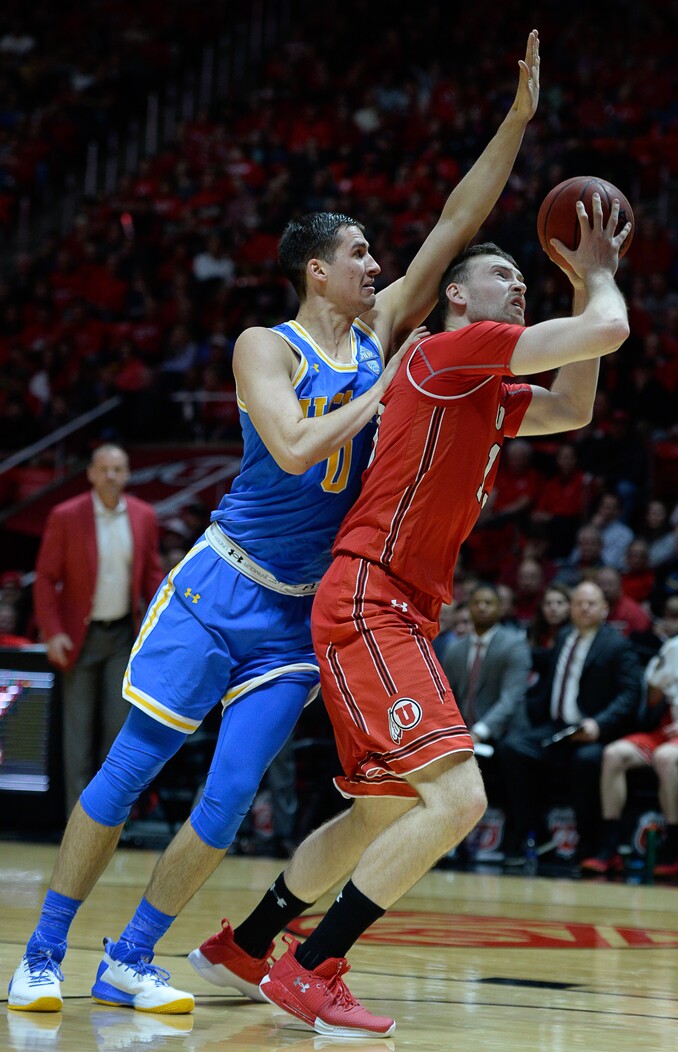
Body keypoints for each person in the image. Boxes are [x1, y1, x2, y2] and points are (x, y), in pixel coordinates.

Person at [8, 31, 542, 1016]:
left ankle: (129, 953)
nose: (379, 264)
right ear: (314, 272)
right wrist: (380, 385)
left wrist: (514, 124)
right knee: (131, 767)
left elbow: (451, 223)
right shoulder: (269, 345)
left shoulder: (380, 334)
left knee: (225, 802)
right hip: (225, 581)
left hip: (301, 613)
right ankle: (39, 950)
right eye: (358, 254)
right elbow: (296, 449)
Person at [190, 181, 632, 1036]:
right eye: (505, 276)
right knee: (460, 801)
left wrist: (580, 289)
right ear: (459, 297)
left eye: (525, 282)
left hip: (392, 607)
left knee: (385, 812)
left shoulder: (479, 389)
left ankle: (245, 945)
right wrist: (602, 271)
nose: (520, 287)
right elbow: (608, 330)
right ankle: (313, 969)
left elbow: (573, 402)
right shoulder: (446, 351)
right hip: (370, 598)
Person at [32, 444, 164, 816]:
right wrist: (52, 631)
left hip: (123, 635)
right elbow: (44, 580)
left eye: (118, 469)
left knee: (118, 732)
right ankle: (77, 819)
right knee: (78, 736)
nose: (111, 476)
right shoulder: (66, 516)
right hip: (79, 637)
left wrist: (158, 628)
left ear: (127, 474)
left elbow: (153, 575)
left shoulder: (143, 516)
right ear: (90, 473)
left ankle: (107, 820)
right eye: (104, 469)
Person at [499, 580, 642, 866]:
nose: (584, 608)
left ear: (604, 609)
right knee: (512, 748)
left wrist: (599, 724)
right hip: (557, 728)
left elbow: (630, 694)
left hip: (593, 731)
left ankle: (590, 844)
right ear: (571, 608)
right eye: (578, 603)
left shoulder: (617, 645)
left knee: (586, 760)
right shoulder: (564, 636)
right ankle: (539, 834)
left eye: (591, 603)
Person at [580, 579, 678, 878]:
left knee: (665, 758)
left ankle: (675, 846)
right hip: (669, 729)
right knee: (613, 754)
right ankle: (611, 845)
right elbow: (653, 698)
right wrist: (655, 685)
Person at [442, 581, 531, 805]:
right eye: (477, 603)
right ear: (469, 608)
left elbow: (510, 699)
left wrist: (479, 732)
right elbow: (445, 696)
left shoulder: (514, 645)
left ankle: (518, 831)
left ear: (500, 608)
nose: (482, 607)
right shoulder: (456, 649)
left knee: (510, 752)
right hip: (466, 731)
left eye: (488, 603)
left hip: (505, 730)